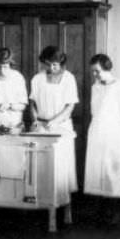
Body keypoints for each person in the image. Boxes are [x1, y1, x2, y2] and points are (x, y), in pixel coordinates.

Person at [83, 54, 120, 213]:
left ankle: (115, 211)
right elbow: (94, 111)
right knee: (97, 171)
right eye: (93, 72)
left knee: (114, 172)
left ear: (107, 68)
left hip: (114, 133)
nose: (95, 75)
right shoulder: (95, 87)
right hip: (97, 132)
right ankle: (100, 212)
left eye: (97, 71)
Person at [30, 46, 79, 192]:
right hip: (41, 128)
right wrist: (35, 119)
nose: (51, 67)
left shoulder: (68, 78)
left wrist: (54, 122)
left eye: (55, 64)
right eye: (48, 64)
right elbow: (32, 103)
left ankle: (65, 206)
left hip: (61, 127)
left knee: (61, 168)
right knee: (41, 166)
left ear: (61, 62)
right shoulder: (37, 79)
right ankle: (43, 202)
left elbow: (70, 106)